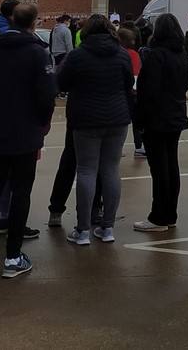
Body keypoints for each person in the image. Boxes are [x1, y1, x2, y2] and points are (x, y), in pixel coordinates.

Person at [0, 3, 56, 279]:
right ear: (33, 23)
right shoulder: (38, 55)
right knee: (21, 193)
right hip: (26, 135)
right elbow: (47, 96)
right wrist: (41, 123)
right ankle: (13, 257)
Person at [56, 14, 134, 246]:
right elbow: (128, 83)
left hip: (86, 118)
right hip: (117, 117)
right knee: (110, 170)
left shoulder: (78, 55)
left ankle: (82, 230)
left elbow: (61, 82)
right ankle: (107, 227)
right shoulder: (121, 54)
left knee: (86, 171)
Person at [133, 13, 188, 232]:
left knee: (159, 168)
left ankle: (158, 216)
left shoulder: (156, 56)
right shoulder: (181, 54)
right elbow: (186, 82)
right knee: (171, 165)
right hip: (175, 114)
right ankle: (169, 214)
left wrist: (141, 118)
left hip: (158, 118)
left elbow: (149, 91)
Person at [119, 27, 145, 157]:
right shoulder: (133, 54)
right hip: (132, 93)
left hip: (118, 93)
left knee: (120, 123)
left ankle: (117, 147)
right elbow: (135, 73)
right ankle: (139, 146)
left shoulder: (116, 52)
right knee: (136, 121)